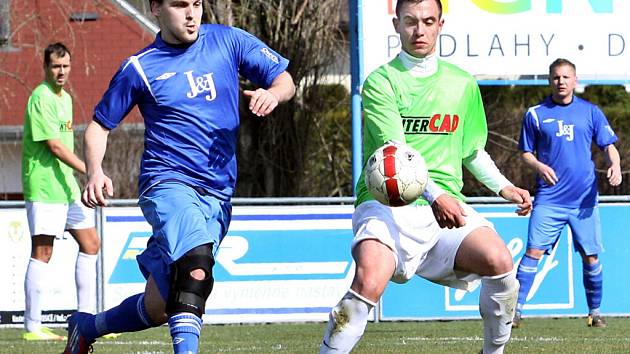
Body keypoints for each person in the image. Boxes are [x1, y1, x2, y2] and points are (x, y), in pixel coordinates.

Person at [62, 0, 295, 353]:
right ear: (155, 8)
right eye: (180, 5)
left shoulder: (229, 41)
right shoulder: (140, 68)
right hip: (167, 182)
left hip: (216, 195)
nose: (191, 14)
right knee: (195, 269)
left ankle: (87, 327)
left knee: (160, 304)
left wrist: (273, 93)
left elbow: (285, 80)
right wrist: (95, 170)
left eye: (197, 4)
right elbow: (99, 126)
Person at [319, 1, 531, 353]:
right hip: (386, 205)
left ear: (440, 24)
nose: (419, 30)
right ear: (396, 25)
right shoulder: (380, 83)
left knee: (500, 263)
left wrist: (505, 187)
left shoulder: (462, 84)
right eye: (411, 22)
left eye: (428, 22)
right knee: (368, 281)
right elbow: (395, 153)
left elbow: (472, 152)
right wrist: (436, 197)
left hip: (443, 210)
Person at [513, 58, 622, 329]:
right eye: (556, 78)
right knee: (533, 252)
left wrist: (616, 164)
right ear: (549, 80)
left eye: (566, 77)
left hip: (583, 200)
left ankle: (595, 312)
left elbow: (608, 145)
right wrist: (539, 165)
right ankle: (514, 311)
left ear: (575, 80)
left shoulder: (591, 112)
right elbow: (525, 152)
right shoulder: (535, 113)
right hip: (549, 199)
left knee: (591, 257)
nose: (561, 82)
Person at [21, 42, 101, 342]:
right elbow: (54, 146)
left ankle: (88, 321)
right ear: (46, 67)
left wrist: (80, 173)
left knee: (91, 244)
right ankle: (32, 327)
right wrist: (89, 169)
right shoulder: (40, 97)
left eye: (66, 66)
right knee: (43, 252)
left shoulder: (66, 98)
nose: (61, 71)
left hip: (67, 186)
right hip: (43, 186)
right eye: (56, 66)